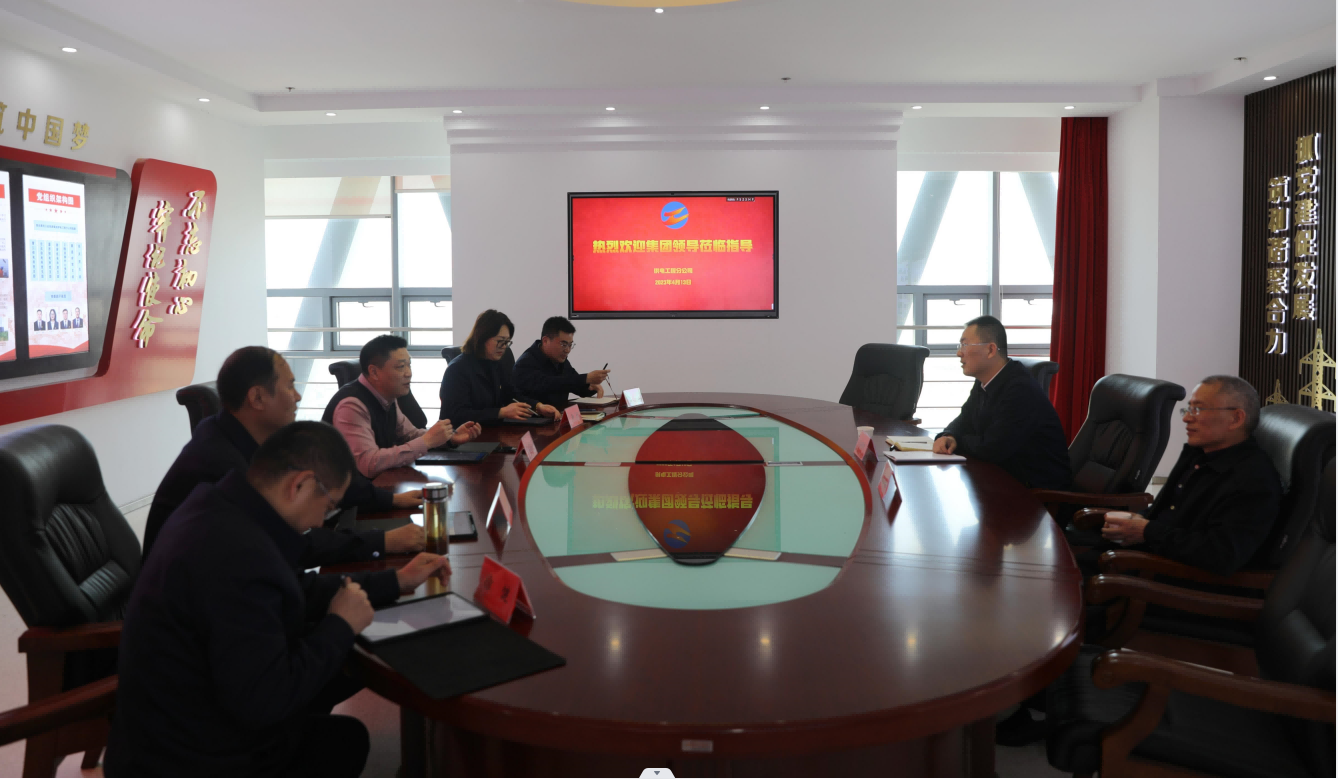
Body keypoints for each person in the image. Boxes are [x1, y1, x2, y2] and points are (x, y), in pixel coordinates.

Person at [105, 422, 451, 776]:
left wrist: (396, 581)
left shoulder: (219, 506)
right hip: (187, 755)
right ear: (299, 485)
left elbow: (298, 588)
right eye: (328, 506)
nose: (322, 520)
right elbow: (264, 701)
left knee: (344, 663)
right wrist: (339, 624)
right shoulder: (238, 556)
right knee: (344, 740)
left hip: (184, 715)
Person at [144, 346, 427, 564]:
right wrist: (381, 542)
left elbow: (323, 473)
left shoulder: (249, 436)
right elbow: (290, 544)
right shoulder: (221, 465)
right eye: (290, 386)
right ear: (257, 398)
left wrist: (391, 500)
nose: (298, 396)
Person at [1094, 375, 1282, 577]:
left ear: (1236, 418)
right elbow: (1170, 513)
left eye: (1198, 409)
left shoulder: (1253, 480)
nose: (1186, 418)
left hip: (1171, 581)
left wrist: (1146, 531)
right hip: (1148, 556)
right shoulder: (1199, 453)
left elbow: (1221, 555)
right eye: (1189, 409)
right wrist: (1138, 521)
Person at [932, 315, 1071, 489]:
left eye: (965, 345)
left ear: (990, 350)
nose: (959, 353)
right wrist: (948, 436)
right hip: (1002, 482)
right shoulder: (985, 381)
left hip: (1037, 494)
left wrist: (957, 441)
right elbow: (964, 419)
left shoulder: (1021, 389)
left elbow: (991, 448)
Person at [325, 334, 482, 480]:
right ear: (374, 372)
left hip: (377, 486)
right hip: (345, 496)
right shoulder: (351, 406)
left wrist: (449, 438)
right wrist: (426, 442)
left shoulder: (387, 397)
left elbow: (410, 434)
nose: (409, 373)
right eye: (401, 367)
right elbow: (368, 464)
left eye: (409, 365)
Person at [439, 309, 561, 425]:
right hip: (466, 436)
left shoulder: (498, 361)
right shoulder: (457, 370)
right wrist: (500, 412)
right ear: (483, 338)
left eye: (507, 342)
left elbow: (511, 394)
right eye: (500, 341)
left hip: (493, 430)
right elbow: (455, 415)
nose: (504, 347)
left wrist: (538, 406)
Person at [513, 316, 610, 409]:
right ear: (545, 341)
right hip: (535, 418)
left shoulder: (559, 359)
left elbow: (572, 384)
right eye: (563, 344)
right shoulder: (525, 363)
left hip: (559, 416)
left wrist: (589, 386)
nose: (568, 350)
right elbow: (550, 384)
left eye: (570, 345)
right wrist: (585, 378)